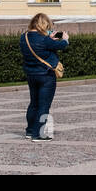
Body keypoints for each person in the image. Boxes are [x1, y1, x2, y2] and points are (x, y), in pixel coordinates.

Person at [19, 13, 68, 141]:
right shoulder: (44, 39)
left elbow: (41, 46)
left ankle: (29, 131)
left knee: (33, 103)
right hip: (46, 75)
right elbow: (61, 46)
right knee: (44, 105)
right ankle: (38, 134)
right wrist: (65, 39)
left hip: (31, 74)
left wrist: (49, 38)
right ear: (44, 24)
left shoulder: (24, 37)